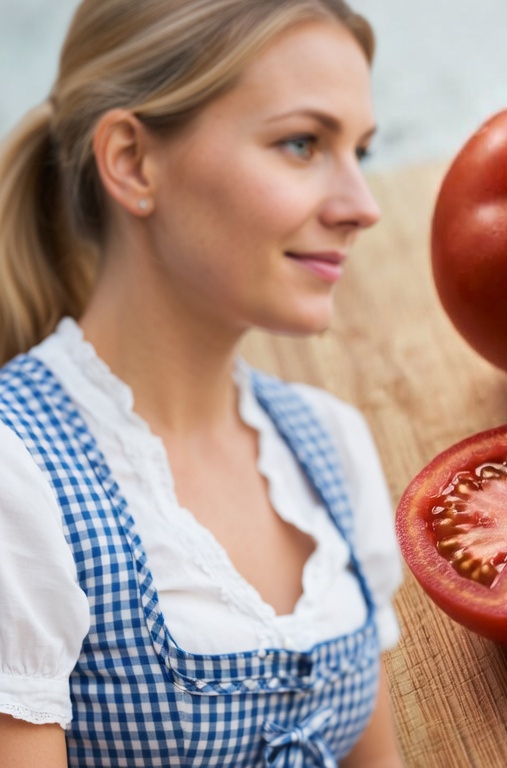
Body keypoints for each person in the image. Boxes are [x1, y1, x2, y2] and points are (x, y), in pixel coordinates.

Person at [0, 0, 405, 765]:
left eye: (363, 152)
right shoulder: (16, 480)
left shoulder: (330, 445)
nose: (363, 207)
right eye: (301, 143)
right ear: (132, 161)